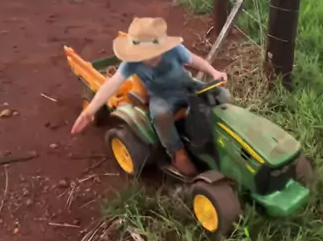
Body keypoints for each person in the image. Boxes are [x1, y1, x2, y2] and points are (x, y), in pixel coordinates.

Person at [71, 16, 227, 177]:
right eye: (144, 55)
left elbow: (194, 60)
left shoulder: (174, 49)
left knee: (222, 94)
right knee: (160, 115)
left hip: (187, 86)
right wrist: (89, 111)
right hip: (161, 96)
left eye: (153, 53)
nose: (149, 58)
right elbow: (111, 85)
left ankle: (220, 132)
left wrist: (214, 72)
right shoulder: (131, 63)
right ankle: (177, 152)